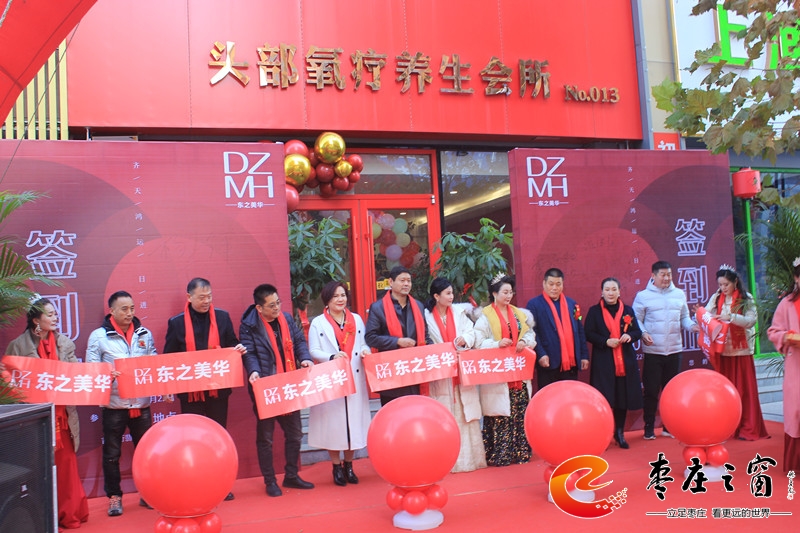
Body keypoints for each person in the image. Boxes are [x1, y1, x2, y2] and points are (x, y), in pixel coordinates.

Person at [5, 298, 89, 529]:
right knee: (38, 468)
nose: (55, 318)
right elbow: (10, 384)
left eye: (55, 314)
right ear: (36, 320)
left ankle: (68, 513)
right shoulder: (18, 346)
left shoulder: (65, 343)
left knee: (66, 468)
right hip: (35, 420)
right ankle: (43, 515)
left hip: (63, 417)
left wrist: (102, 377)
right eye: (50, 315)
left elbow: (77, 376)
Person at [163, 277, 247, 500]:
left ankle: (220, 483)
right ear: (189, 297)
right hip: (190, 394)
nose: (206, 301)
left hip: (218, 392)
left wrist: (237, 349)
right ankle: (197, 483)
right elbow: (168, 358)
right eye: (201, 297)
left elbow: (232, 343)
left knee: (217, 437)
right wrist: (167, 386)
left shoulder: (222, 317)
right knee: (193, 439)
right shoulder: (177, 323)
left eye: (209, 296)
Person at [86, 291, 158, 517]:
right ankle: (114, 496)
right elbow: (91, 370)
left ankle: (148, 493)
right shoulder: (98, 337)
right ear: (112, 311)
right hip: (114, 406)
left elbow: (155, 364)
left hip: (141, 404)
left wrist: (162, 387)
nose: (129, 313)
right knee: (112, 454)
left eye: (132, 308)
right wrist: (108, 374)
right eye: (124, 309)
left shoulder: (144, 333)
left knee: (146, 452)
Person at [240, 283, 315, 497]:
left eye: (278, 303)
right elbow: (249, 353)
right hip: (266, 388)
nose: (277, 308)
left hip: (289, 384)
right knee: (266, 437)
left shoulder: (287, 319)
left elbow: (299, 342)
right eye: (271, 305)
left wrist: (305, 358)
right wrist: (253, 371)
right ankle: (270, 480)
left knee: (295, 433)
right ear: (259, 308)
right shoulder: (249, 326)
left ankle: (291, 475)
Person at [307, 281, 371, 486]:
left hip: (354, 377)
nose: (340, 299)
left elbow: (363, 343)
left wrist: (365, 351)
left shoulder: (356, 319)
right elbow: (313, 350)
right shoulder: (318, 323)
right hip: (332, 378)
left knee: (353, 423)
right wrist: (331, 356)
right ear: (327, 299)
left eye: (343, 295)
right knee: (333, 424)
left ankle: (349, 466)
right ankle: (336, 466)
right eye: (335, 296)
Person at [424, 277, 486, 473]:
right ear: (436, 296)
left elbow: (472, 332)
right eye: (448, 293)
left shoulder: (459, 312)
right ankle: (444, 461)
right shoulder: (426, 316)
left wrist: (464, 339)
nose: (451, 297)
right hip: (441, 372)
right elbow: (425, 340)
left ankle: (468, 460)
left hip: (460, 371)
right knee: (443, 415)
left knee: (465, 415)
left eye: (452, 293)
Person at [632, 260, 698, 440]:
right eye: (663, 275)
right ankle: (648, 427)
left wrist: (692, 326)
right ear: (653, 276)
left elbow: (684, 317)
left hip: (674, 350)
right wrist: (643, 333)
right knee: (651, 391)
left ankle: (669, 426)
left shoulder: (679, 294)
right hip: (653, 351)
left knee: (672, 392)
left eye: (669, 274)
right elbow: (636, 320)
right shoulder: (643, 296)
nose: (667, 278)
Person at [474, 274, 536, 466]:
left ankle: (520, 451)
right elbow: (478, 342)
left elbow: (531, 334)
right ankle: (500, 453)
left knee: (519, 410)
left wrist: (524, 341)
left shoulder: (519, 314)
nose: (509, 296)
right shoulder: (485, 316)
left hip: (518, 371)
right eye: (505, 292)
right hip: (498, 373)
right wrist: (496, 344)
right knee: (500, 414)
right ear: (494, 293)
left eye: (511, 292)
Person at [705, 265, 769, 441]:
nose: (723, 288)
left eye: (726, 284)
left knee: (745, 391)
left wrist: (731, 317)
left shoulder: (746, 298)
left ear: (735, 282)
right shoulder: (716, 297)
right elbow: (708, 315)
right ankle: (729, 426)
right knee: (726, 392)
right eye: (720, 284)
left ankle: (748, 427)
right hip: (723, 350)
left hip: (741, 351)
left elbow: (750, 321)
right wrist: (702, 316)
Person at [585, 278, 643, 450]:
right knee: (604, 400)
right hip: (604, 363)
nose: (610, 293)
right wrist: (605, 341)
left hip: (625, 362)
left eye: (613, 289)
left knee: (621, 399)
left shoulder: (628, 310)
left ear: (619, 291)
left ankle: (619, 433)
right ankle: (602, 434)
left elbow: (637, 331)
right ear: (602, 292)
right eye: (607, 289)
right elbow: (588, 333)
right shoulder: (594, 311)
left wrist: (630, 336)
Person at [365, 265, 432, 406]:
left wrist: (435, 350)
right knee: (393, 412)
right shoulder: (378, 307)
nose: (406, 284)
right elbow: (371, 337)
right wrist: (397, 341)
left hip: (414, 369)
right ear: (391, 282)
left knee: (415, 410)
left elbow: (425, 336)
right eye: (402, 280)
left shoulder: (418, 306)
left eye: (409, 280)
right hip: (391, 372)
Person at [526, 268, 589, 389]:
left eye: (558, 284)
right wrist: (541, 354)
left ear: (562, 285)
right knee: (550, 396)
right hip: (548, 361)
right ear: (544, 283)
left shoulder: (572, 304)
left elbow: (579, 330)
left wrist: (584, 355)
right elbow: (532, 332)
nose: (554, 288)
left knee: (570, 395)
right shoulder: (534, 305)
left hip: (571, 363)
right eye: (551, 284)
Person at [767, 258, 800, 472]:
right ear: (796, 278)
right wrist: (787, 337)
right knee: (796, 410)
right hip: (796, 365)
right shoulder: (787, 303)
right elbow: (773, 331)